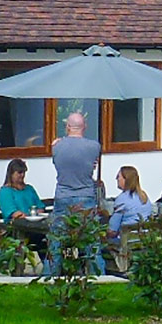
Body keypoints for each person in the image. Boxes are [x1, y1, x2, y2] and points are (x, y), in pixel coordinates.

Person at [45, 108, 104, 277]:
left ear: (67, 127)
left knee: (56, 241)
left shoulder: (57, 146)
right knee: (91, 241)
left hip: (63, 195)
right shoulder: (94, 146)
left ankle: (50, 276)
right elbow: (93, 164)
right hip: (86, 196)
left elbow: (57, 163)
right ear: (84, 126)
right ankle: (99, 277)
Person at [107, 165, 154, 235]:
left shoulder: (122, 199)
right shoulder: (144, 196)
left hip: (126, 239)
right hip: (144, 237)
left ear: (126, 179)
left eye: (118, 177)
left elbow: (112, 229)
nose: (116, 179)